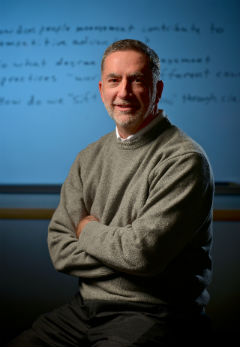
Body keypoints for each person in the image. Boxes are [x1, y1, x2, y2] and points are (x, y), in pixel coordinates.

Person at [7, 39, 214, 347]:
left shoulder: (184, 160)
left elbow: (142, 254)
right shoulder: (88, 158)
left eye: (138, 81)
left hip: (156, 314)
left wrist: (87, 230)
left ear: (157, 90)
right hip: (83, 310)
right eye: (115, 81)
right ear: (101, 90)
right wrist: (129, 259)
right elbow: (60, 247)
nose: (124, 92)